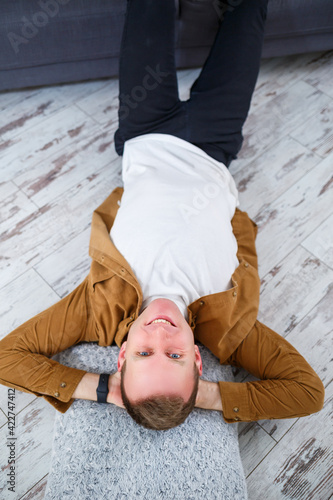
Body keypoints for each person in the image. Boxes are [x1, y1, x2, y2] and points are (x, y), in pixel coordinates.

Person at [0, 0, 325, 431]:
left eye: (142, 353)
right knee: (249, 12)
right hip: (214, 143)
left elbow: (8, 358)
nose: (158, 334)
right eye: (174, 356)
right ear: (196, 358)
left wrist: (100, 388)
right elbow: (307, 392)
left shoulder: (96, 310)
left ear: (121, 355)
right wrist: (205, 395)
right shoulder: (230, 330)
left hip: (144, 128)